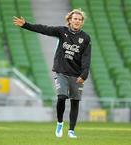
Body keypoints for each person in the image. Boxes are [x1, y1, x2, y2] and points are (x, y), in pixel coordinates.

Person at [13, 9, 91, 138]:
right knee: (61, 97)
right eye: (75, 18)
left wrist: (84, 75)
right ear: (69, 20)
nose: (77, 21)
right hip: (61, 71)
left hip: (76, 74)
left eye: (79, 19)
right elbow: (44, 29)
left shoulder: (86, 38)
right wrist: (26, 25)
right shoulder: (62, 31)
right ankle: (60, 123)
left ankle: (71, 130)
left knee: (75, 102)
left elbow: (86, 58)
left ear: (82, 22)